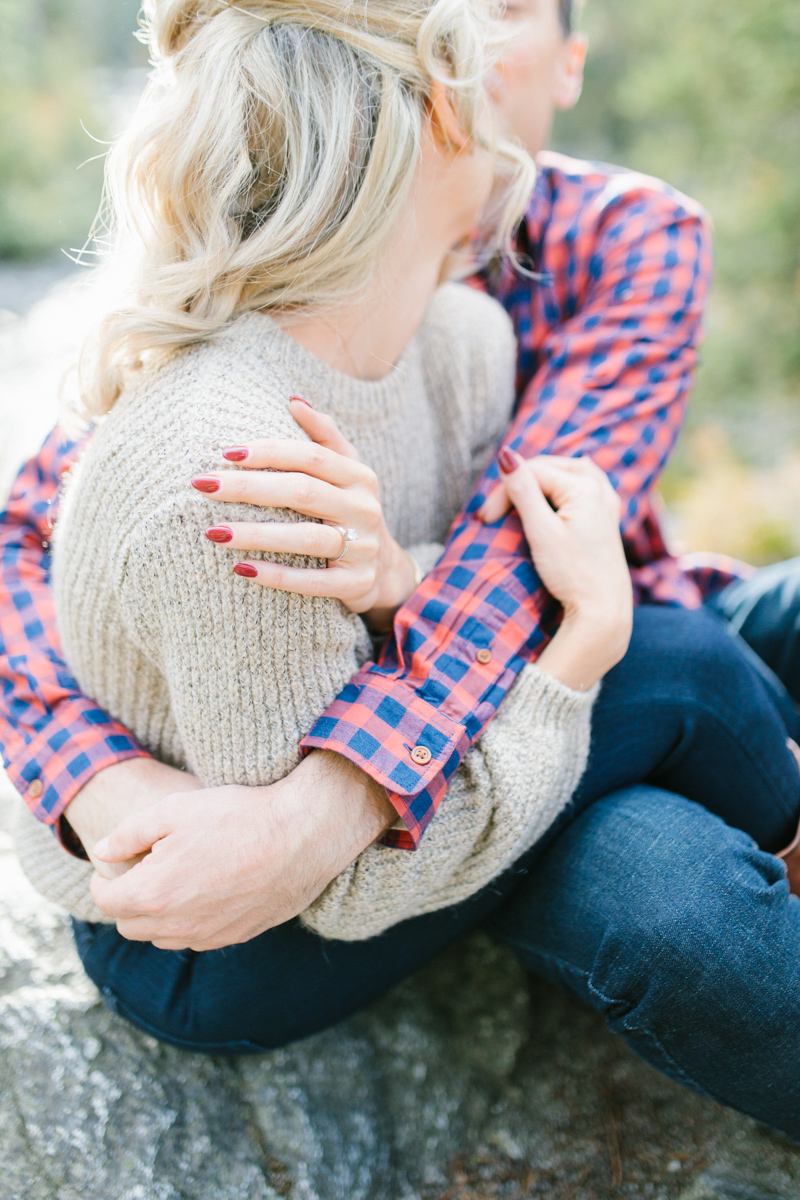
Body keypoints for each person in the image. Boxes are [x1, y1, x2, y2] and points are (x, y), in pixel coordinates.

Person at [2, 0, 800, 1138]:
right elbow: (33, 531)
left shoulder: (607, 244)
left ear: (566, 65)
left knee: (688, 650)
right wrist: (103, 785)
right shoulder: (233, 412)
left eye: (506, 5)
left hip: (541, 655)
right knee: (672, 806)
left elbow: (510, 565)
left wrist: (330, 784)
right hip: (338, 805)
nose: (472, 24)